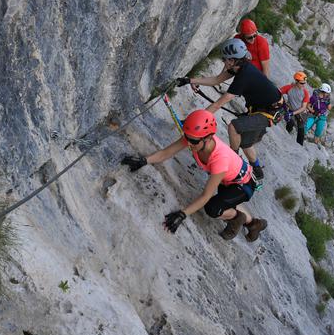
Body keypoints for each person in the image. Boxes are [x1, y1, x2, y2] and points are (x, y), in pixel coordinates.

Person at [120, 109, 268, 241]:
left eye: (194, 141)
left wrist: (182, 214)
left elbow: (206, 195)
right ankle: (254, 223)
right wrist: (144, 161)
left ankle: (237, 217)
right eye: (187, 137)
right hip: (229, 179)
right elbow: (167, 152)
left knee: (213, 208)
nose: (189, 143)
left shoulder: (219, 159)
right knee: (225, 201)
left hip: (244, 185)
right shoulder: (195, 138)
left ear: (208, 138)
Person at [176, 39, 283, 182]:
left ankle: (233, 159)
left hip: (269, 112)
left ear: (232, 60)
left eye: (224, 59)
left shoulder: (244, 77)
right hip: (262, 109)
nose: (223, 61)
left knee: (234, 127)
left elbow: (217, 104)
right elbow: (216, 80)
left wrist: (193, 124)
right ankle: (257, 170)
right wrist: (190, 80)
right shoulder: (238, 67)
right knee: (246, 143)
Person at [279, 71, 310, 145]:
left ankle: (300, 145)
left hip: (300, 112)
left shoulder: (305, 92)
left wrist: (292, 113)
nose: (303, 85)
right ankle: (286, 136)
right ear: (296, 81)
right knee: (290, 123)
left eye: (304, 83)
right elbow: (278, 92)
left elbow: (303, 107)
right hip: (290, 109)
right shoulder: (289, 88)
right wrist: (282, 102)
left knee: (301, 130)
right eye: (302, 83)